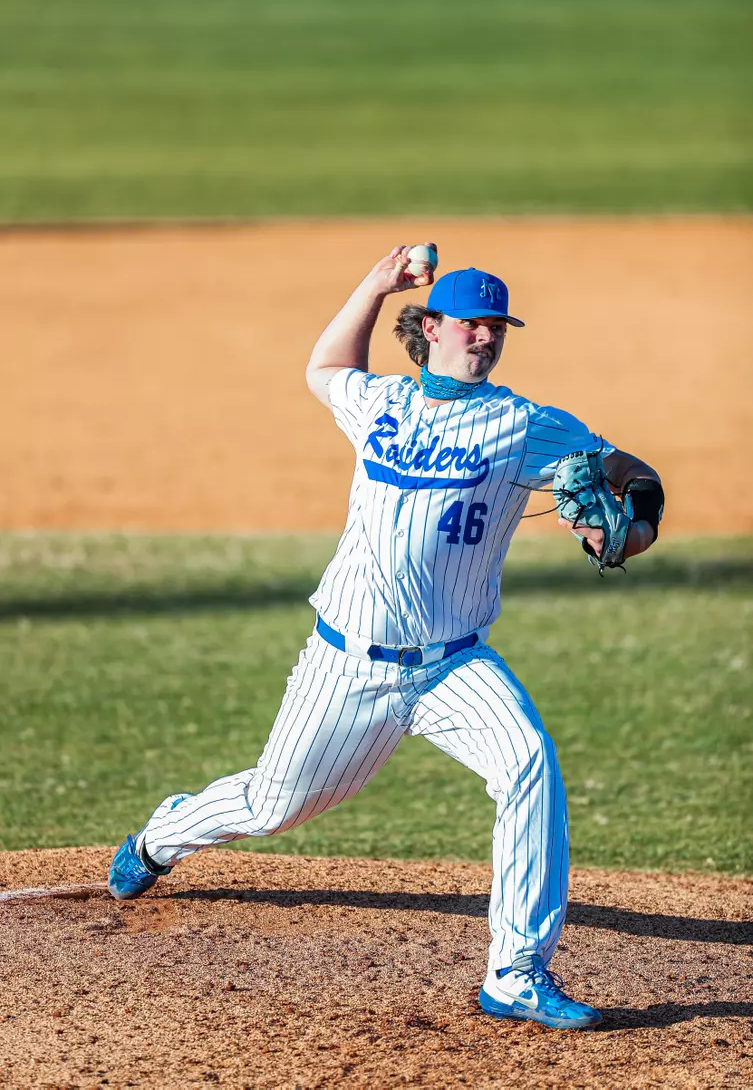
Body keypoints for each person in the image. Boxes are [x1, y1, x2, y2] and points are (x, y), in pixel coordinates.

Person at [108, 244, 664, 1031]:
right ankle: (165, 834)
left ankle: (515, 970)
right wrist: (374, 283)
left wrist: (629, 530)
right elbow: (323, 366)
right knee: (276, 803)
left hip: (454, 664)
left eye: (496, 327)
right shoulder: (381, 404)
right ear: (432, 327)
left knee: (529, 762)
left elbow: (631, 472)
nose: (485, 338)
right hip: (346, 666)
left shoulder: (526, 425)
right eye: (471, 325)